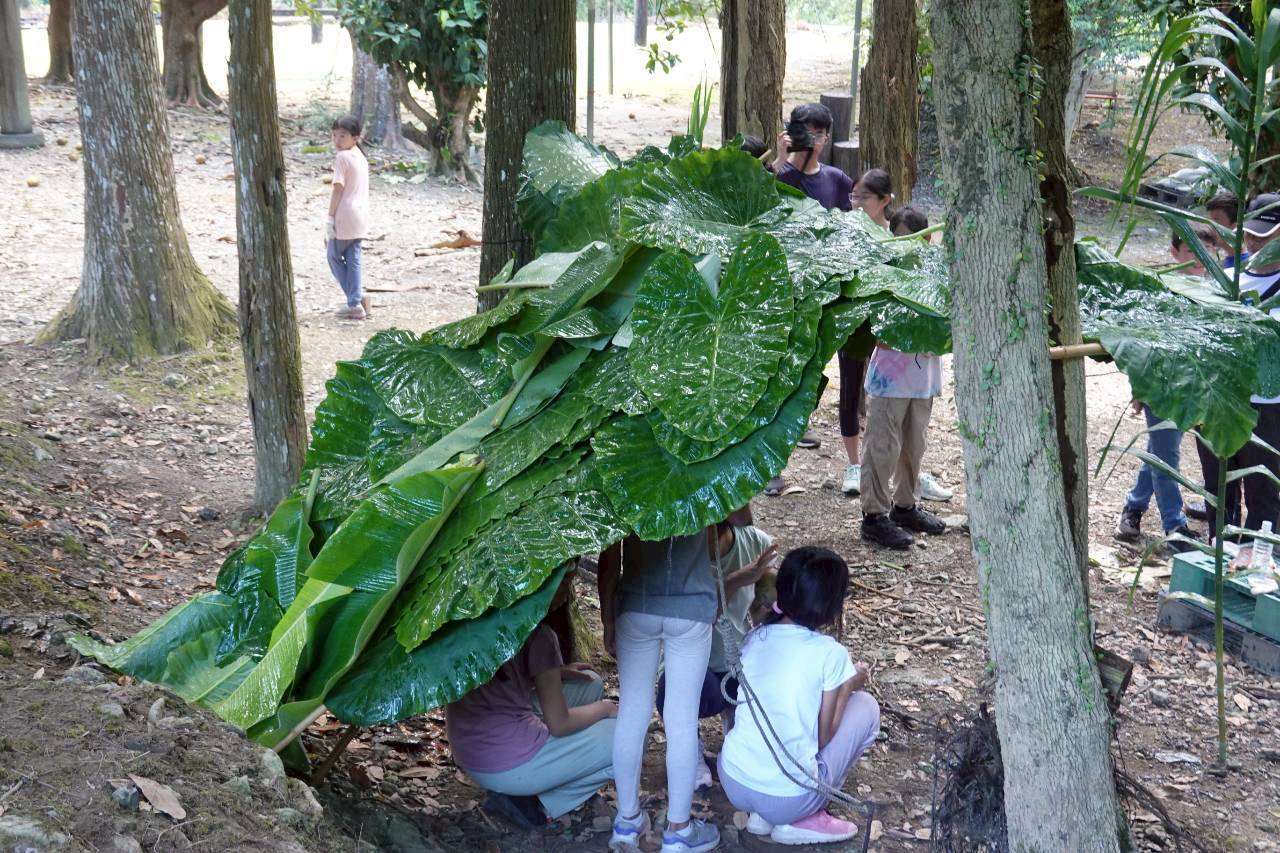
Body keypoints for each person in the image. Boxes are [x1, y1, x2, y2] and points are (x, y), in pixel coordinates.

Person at [718, 546, 879, 846]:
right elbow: (824, 737)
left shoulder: (755, 637)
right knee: (867, 707)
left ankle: (762, 816)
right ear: (830, 605)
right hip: (788, 797)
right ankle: (803, 817)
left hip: (733, 780)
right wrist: (849, 684)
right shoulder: (830, 653)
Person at [444, 571, 618, 828]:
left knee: (589, 682)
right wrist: (605, 709)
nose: (567, 588)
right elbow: (559, 724)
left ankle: (530, 786)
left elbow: (501, 678)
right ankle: (541, 803)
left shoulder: (483, 618)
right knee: (627, 736)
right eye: (563, 580)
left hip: (469, 753)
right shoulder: (540, 634)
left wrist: (555, 671)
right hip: (506, 765)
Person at [600, 531, 724, 853]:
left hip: (636, 602)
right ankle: (679, 830)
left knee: (631, 711)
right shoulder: (701, 494)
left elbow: (610, 555)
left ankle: (627, 821)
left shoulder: (627, 494)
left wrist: (607, 618)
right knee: (681, 718)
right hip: (691, 604)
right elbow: (715, 546)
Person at [763, 104, 856, 492]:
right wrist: (780, 162)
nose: (813, 139)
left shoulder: (837, 180)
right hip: (784, 292)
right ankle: (771, 468)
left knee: (820, 373)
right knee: (779, 377)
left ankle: (806, 428)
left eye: (820, 132)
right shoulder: (777, 176)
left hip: (825, 292)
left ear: (828, 136)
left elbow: (851, 231)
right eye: (806, 131)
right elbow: (760, 212)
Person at [654, 514, 777, 789]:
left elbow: (759, 613)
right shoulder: (677, 553)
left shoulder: (756, 542)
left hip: (736, 664)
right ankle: (688, 745)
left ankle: (739, 728)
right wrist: (736, 580)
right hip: (694, 669)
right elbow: (697, 618)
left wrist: (770, 606)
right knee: (674, 688)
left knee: (770, 676)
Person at [856, 207, 950, 550]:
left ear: (927, 238)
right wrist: (920, 335)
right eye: (898, 238)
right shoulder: (885, 274)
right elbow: (881, 335)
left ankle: (905, 507)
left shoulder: (935, 274)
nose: (904, 245)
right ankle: (874, 516)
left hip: (923, 380)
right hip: (889, 379)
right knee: (882, 446)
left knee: (914, 445)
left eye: (911, 238)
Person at [1223, 193, 1280, 532]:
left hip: (1270, 406)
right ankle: (1224, 551)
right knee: (1221, 489)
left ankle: (1264, 554)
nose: (1256, 243)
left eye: (1266, 236)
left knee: (1264, 493)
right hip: (1227, 400)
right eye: (1251, 234)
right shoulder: (1229, 280)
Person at [327, 115, 371, 321]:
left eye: (342, 136)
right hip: (361, 215)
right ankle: (358, 298)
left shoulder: (342, 158)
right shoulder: (360, 156)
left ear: (355, 138)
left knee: (333, 256)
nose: (337, 140)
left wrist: (330, 217)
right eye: (334, 135)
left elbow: (338, 189)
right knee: (353, 259)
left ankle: (355, 301)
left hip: (345, 214)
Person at [1206, 190, 1249, 269]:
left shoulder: (1246, 266)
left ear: (1236, 225)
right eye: (1210, 222)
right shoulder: (1231, 260)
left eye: (1215, 223)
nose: (1210, 228)